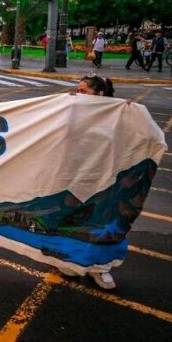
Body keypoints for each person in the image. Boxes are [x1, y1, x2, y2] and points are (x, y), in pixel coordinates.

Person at [59, 75, 117, 289]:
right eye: (78, 90)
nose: (79, 94)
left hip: (104, 177)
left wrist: (131, 112)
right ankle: (69, 261)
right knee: (73, 218)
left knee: (102, 221)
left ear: (100, 93)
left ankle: (100, 268)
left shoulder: (117, 113)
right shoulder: (72, 110)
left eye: (84, 91)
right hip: (76, 175)